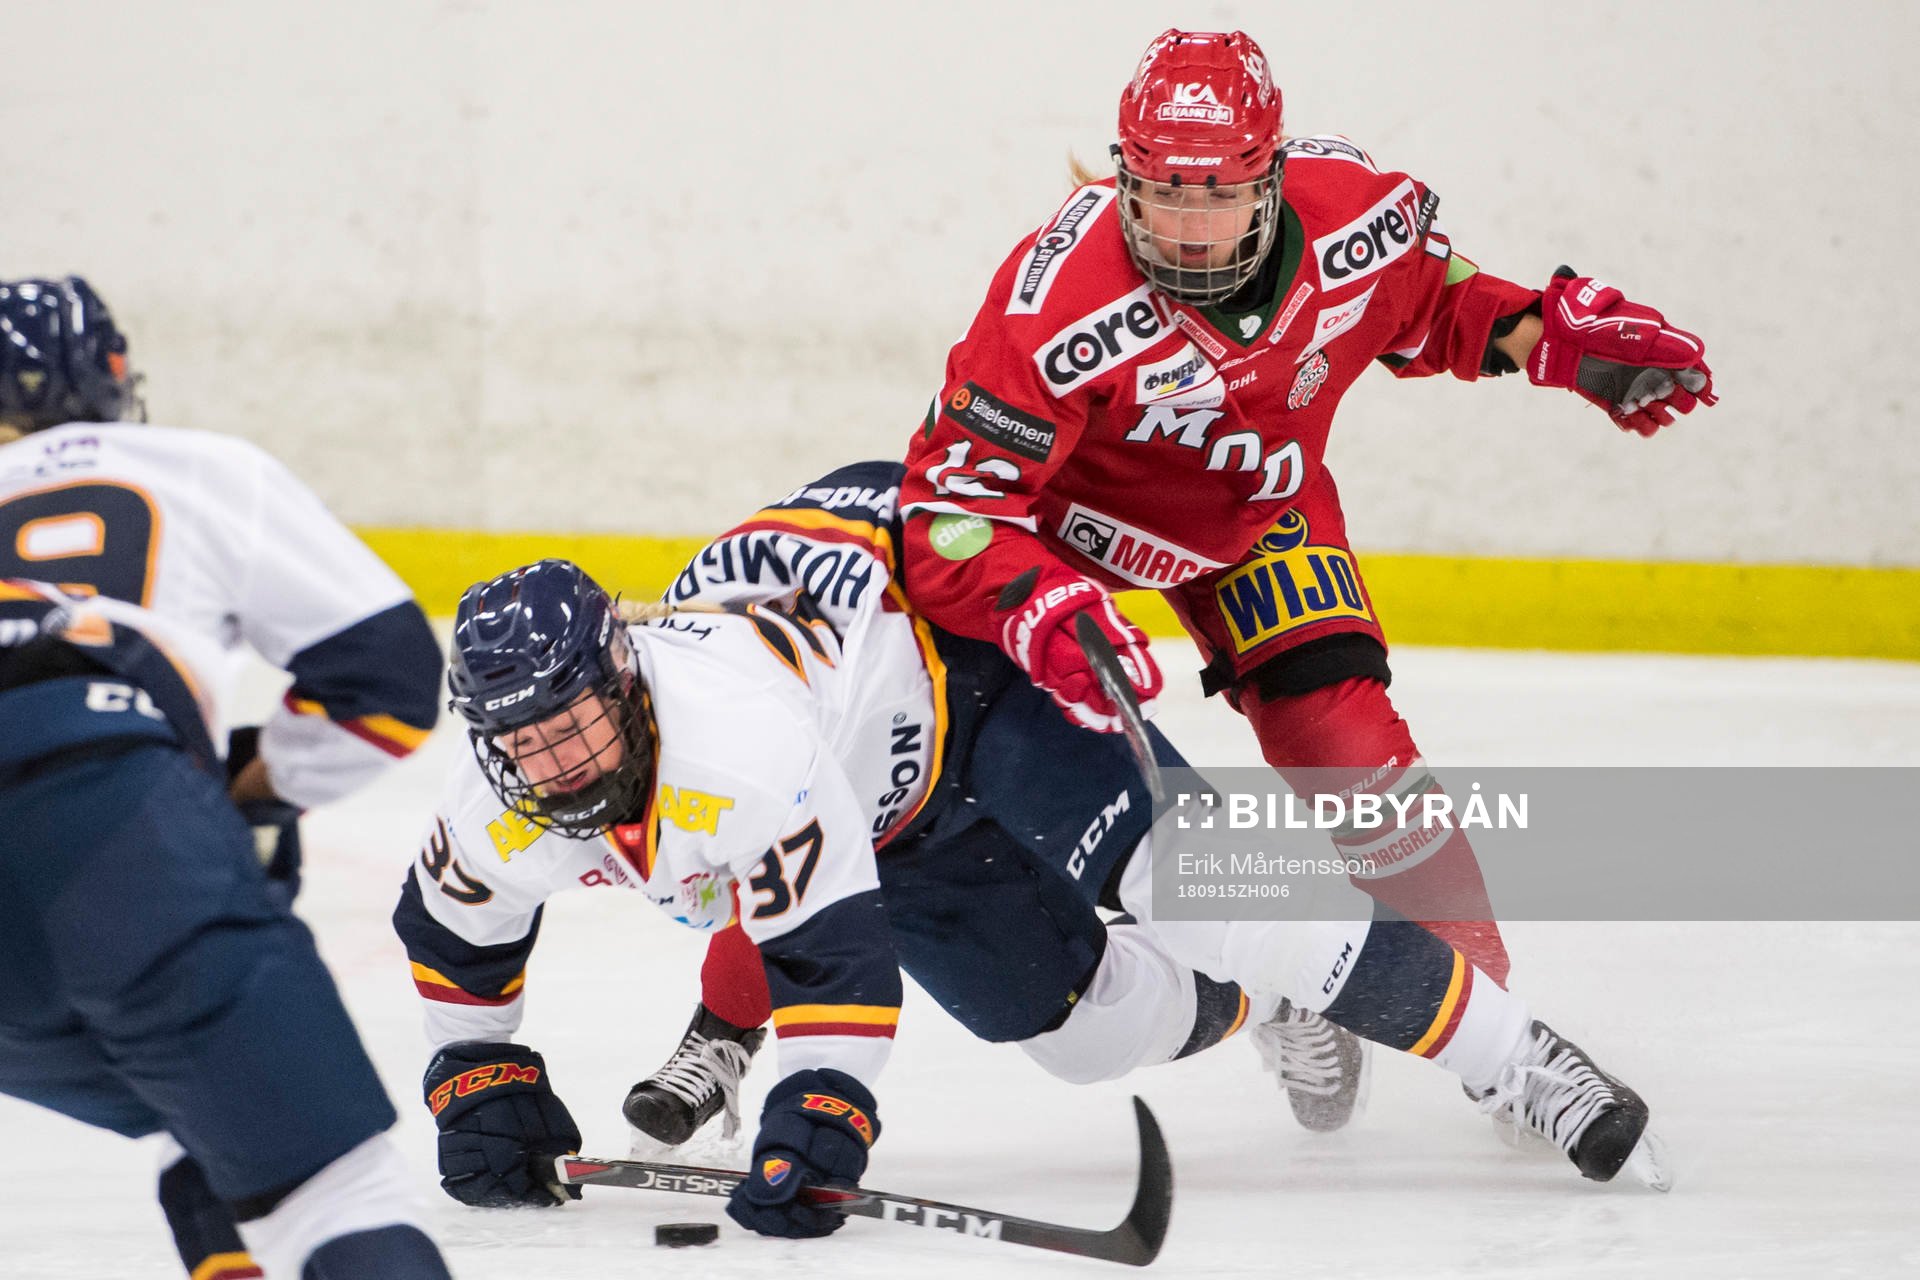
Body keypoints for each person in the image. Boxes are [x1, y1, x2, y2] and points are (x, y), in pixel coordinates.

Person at [396, 462, 1667, 1249]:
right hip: (892, 817)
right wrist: (478, 1072)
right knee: (1088, 1037)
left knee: (1201, 891)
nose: (554, 763)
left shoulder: (733, 745)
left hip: (978, 679)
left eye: (570, 725)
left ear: (624, 680)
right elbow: (458, 930)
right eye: (524, 741)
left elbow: (832, 961)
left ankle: (1524, 1061)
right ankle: (1267, 1008)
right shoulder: (500, 788)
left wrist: (819, 1107)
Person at [895, 27, 1716, 1109]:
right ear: (1124, 175)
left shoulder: (1356, 215)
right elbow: (948, 509)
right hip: (1063, 542)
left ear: (1273, 179)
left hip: (1254, 517)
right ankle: (1266, 994)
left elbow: (1438, 300)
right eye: (1159, 195)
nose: (1188, 231)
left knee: (1348, 744)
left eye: (1220, 198)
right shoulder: (1049, 303)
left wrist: (1553, 342)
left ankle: (1496, 1037)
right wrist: (1036, 602)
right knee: (1046, 786)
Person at [0, 277, 450, 1279]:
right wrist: (255, 788)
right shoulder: (197, 467)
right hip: (96, 793)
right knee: (333, 1191)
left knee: (183, 1108)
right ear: (111, 375)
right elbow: (390, 677)